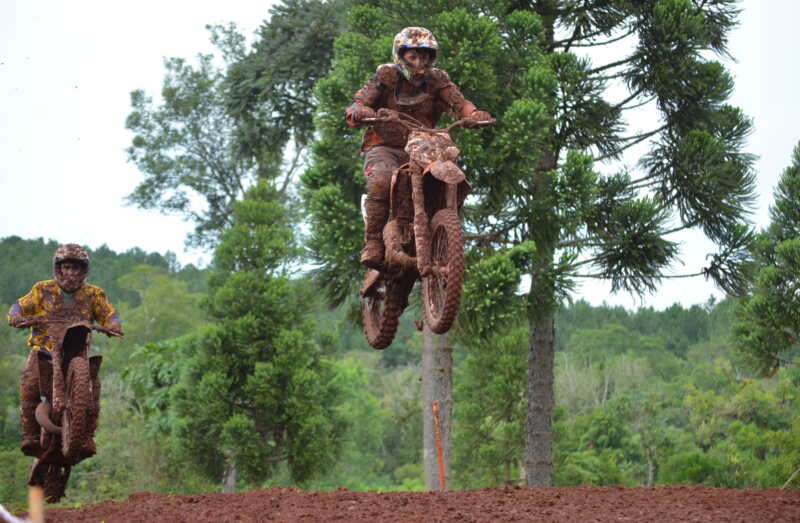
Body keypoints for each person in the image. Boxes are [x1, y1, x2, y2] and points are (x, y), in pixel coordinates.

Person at [346, 26, 492, 269]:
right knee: (381, 180)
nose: (419, 62)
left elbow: (459, 103)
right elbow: (360, 101)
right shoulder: (384, 77)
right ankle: (372, 242)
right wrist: (359, 110)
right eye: (413, 56)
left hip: (424, 143)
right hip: (386, 146)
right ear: (400, 56)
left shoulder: (437, 80)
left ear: (431, 57)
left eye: (424, 56)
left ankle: (447, 230)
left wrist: (474, 114)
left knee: (450, 172)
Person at [7, 243, 122, 457]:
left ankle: (86, 436)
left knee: (93, 388)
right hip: (44, 348)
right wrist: (15, 315)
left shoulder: (94, 294)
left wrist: (114, 325)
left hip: (77, 351)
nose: (70, 272)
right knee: (29, 381)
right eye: (66, 267)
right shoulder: (42, 289)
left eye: (75, 268)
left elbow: (110, 314)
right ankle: (30, 434)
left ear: (83, 270)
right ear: (58, 268)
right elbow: (19, 305)